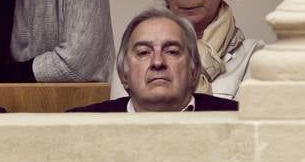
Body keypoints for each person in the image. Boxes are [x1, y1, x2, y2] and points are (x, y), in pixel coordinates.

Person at [70, 8, 239, 113]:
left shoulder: (238, 119)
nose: (157, 62)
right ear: (123, 75)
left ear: (194, 71)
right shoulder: (79, 126)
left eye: (172, 51)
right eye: (143, 52)